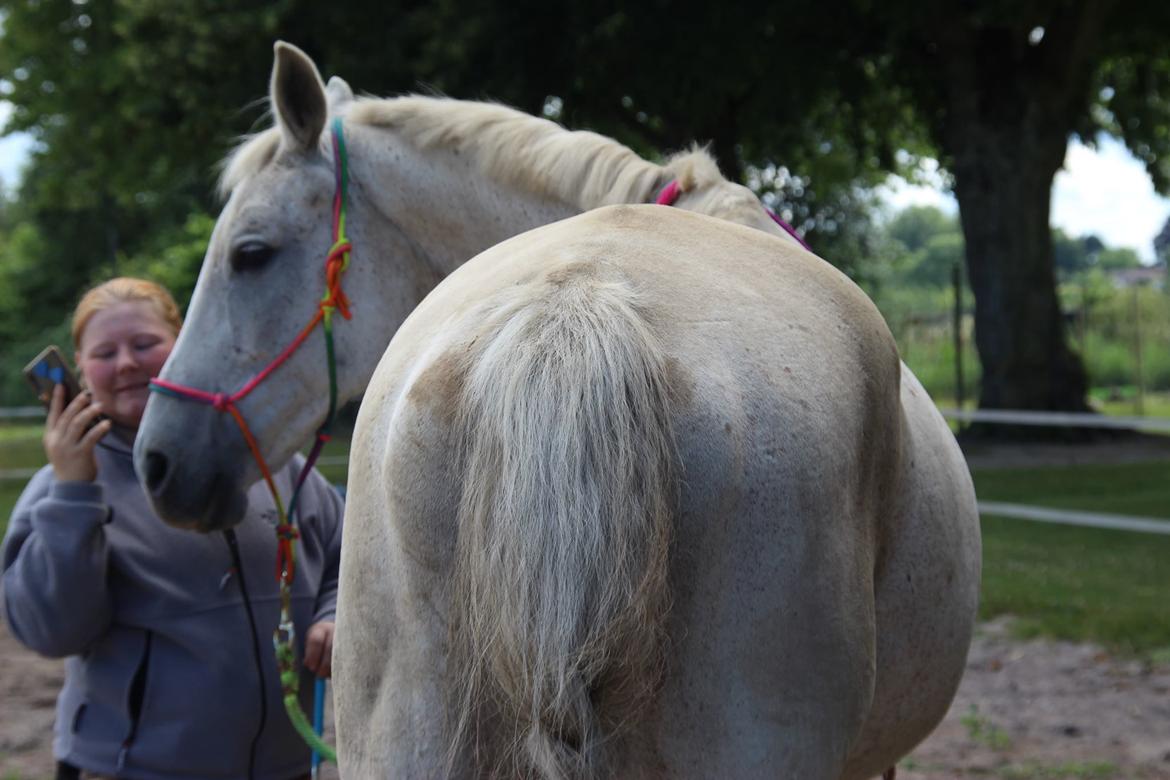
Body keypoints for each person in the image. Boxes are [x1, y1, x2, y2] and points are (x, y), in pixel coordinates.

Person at [1, 278, 343, 780]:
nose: (126, 364)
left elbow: (344, 554)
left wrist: (335, 614)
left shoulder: (271, 461)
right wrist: (75, 494)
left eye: (144, 344)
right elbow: (53, 632)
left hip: (285, 766)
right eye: (104, 352)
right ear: (80, 371)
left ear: (183, 344)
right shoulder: (56, 490)